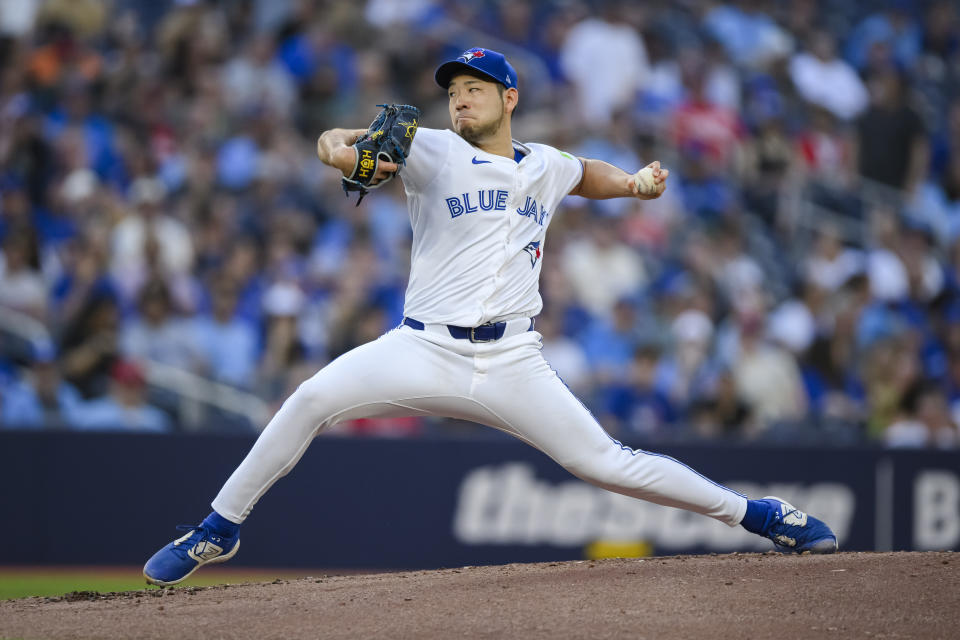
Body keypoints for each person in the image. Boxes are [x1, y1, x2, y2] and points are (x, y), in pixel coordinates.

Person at [144, 48, 837, 587]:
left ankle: (762, 514)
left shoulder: (544, 165)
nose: (459, 98)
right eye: (452, 91)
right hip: (423, 350)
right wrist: (339, 148)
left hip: (512, 361)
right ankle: (218, 527)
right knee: (310, 398)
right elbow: (340, 144)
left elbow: (582, 169)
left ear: (510, 97)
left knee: (607, 463)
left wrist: (629, 184)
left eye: (473, 88)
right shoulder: (431, 150)